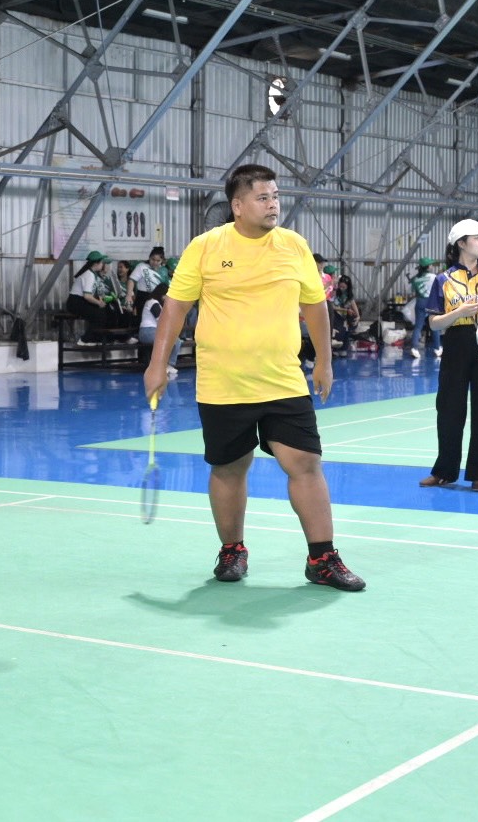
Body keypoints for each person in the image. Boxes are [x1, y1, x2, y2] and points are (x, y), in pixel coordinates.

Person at [143, 163, 365, 592]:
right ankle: (232, 550)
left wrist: (324, 360)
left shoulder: (293, 245)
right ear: (238, 205)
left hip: (283, 379)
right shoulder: (206, 247)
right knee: (229, 468)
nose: (273, 204)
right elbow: (176, 307)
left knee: (304, 463)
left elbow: (314, 305)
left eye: (276, 196)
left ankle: (322, 558)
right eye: (263, 197)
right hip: (223, 383)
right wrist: (157, 363)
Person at [419, 219, 478, 493]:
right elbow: (434, 323)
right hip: (456, 345)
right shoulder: (443, 280)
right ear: (460, 243)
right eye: (477, 237)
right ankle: (444, 472)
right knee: (449, 410)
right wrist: (460, 312)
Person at [66, 251, 115, 343]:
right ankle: (85, 339)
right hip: (75, 303)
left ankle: (100, 338)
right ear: (96, 263)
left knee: (105, 312)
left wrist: (100, 301)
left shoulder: (92, 274)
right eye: (101, 262)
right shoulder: (89, 275)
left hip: (80, 301)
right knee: (99, 315)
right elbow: (87, 296)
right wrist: (99, 303)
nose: (103, 265)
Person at [138, 285, 180, 379]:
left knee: (177, 341)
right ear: (162, 294)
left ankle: (169, 364)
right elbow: (161, 320)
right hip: (147, 332)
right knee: (168, 341)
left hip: (154, 331)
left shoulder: (158, 304)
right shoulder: (153, 302)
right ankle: (162, 366)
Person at [409, 257, 442, 359]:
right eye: (431, 265)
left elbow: (412, 291)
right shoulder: (433, 277)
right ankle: (437, 349)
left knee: (418, 326)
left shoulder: (416, 278)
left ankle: (414, 349)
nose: (432, 266)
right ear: (428, 267)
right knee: (434, 325)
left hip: (420, 302)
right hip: (431, 303)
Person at [126, 247, 167, 314]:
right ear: (149, 257)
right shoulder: (142, 266)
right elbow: (131, 280)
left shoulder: (164, 270)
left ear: (162, 260)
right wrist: (129, 295)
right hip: (143, 297)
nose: (155, 262)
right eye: (153, 259)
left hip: (158, 298)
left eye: (158, 261)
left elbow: (166, 287)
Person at [331, 274, 361, 353]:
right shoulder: (334, 293)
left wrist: (358, 316)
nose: (341, 289)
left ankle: (344, 348)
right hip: (335, 315)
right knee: (340, 329)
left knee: (348, 327)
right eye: (340, 286)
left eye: (344, 287)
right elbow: (332, 307)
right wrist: (346, 310)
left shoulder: (348, 295)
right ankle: (335, 349)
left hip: (344, 316)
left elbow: (353, 304)